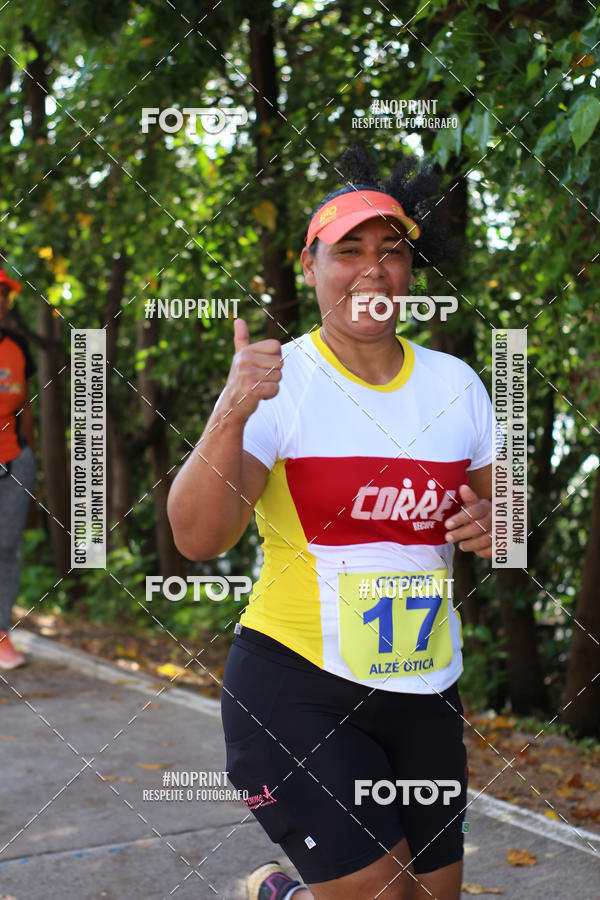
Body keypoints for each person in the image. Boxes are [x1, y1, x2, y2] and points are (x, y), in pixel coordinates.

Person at [168, 148, 496, 900]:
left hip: (425, 689)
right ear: (311, 266)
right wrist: (230, 410)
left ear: (412, 273)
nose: (373, 270)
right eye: (348, 250)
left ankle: (281, 896)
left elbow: (504, 518)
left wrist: (489, 525)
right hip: (294, 683)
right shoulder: (279, 384)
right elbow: (196, 538)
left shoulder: (458, 385)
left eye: (392, 252)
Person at [0, 268, 37, 669]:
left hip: (13, 460)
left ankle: (0, 636)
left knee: (5, 550)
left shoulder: (17, 347)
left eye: (3, 295)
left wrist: (29, 455)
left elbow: (26, 405)